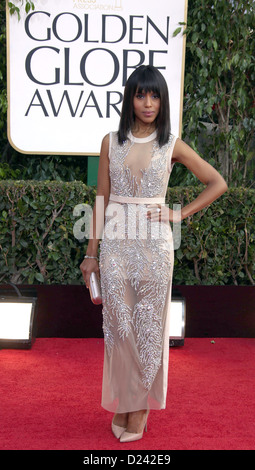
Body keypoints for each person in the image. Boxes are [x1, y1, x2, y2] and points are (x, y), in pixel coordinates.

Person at [80, 65, 228, 443]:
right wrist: (91, 251)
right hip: (115, 244)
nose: (148, 103)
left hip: (155, 247)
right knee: (119, 328)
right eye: (141, 95)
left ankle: (140, 407)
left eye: (155, 95)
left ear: (163, 101)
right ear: (130, 98)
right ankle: (126, 403)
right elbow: (101, 198)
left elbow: (217, 182)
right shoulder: (110, 141)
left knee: (148, 328)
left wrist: (178, 213)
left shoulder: (172, 144)